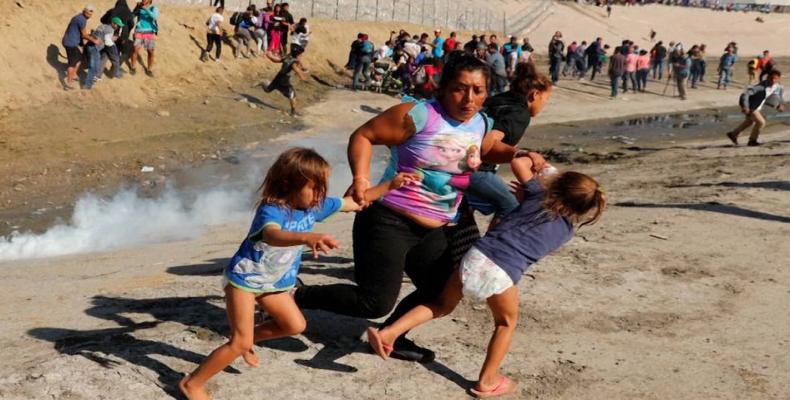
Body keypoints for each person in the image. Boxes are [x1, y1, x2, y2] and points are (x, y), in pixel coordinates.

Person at [294, 54, 530, 363]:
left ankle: (392, 336)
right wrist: (361, 179)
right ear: (444, 88)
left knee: (441, 292)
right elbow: (364, 136)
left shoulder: (480, 122)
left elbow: (487, 150)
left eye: (478, 90)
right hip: (388, 219)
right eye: (460, 88)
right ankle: (295, 296)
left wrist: (517, 153)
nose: (469, 98)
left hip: (435, 226)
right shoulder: (419, 115)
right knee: (373, 302)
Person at [179, 147, 420, 400]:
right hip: (245, 281)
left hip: (275, 283)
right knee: (238, 342)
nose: (320, 195)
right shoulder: (272, 209)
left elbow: (355, 202)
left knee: (295, 325)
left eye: (323, 188)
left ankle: (248, 339)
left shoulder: (315, 206)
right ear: (287, 184)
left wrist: (391, 185)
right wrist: (306, 237)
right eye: (314, 188)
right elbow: (273, 235)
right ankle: (193, 383)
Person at [366, 165, 605, 398]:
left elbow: (520, 163)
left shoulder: (536, 195)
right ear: (584, 209)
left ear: (557, 185)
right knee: (505, 323)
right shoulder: (565, 231)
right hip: (501, 272)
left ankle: (389, 333)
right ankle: (487, 381)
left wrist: (542, 167)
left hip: (475, 255)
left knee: (441, 305)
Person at [465, 62, 553, 225]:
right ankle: (491, 249)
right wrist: (521, 154)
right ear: (534, 95)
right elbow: (487, 143)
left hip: (454, 160)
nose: (543, 105)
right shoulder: (520, 113)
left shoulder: (500, 98)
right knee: (511, 206)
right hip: (474, 169)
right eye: (545, 100)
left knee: (466, 213)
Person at [726, 70, 785, 146]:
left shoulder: (777, 86)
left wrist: (778, 105)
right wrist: (745, 106)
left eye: (775, 79)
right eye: (771, 78)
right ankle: (752, 140)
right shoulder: (760, 87)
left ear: (779, 79)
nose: (773, 81)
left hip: (757, 106)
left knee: (750, 121)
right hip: (751, 106)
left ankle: (733, 134)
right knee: (761, 122)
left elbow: (773, 98)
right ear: (767, 77)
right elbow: (745, 94)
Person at [261, 46, 308, 116]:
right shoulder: (294, 62)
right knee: (293, 95)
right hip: (284, 81)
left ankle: (262, 83)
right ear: (298, 55)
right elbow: (297, 70)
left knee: (268, 90)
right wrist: (303, 77)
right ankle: (293, 112)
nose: (301, 56)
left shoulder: (287, 58)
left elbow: (276, 60)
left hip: (278, 78)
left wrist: (269, 56)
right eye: (301, 55)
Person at [62, 5, 95, 89]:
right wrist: (94, 40)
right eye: (89, 12)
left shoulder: (81, 18)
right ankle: (68, 83)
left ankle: (73, 75)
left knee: (79, 59)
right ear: (84, 11)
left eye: (91, 13)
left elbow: (81, 33)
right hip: (70, 43)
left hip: (71, 41)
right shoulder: (81, 20)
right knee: (72, 63)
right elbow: (84, 35)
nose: (90, 15)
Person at [84, 17, 123, 89]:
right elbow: (108, 42)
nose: (118, 27)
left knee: (93, 63)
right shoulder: (110, 30)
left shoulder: (103, 26)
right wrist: (112, 41)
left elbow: (98, 34)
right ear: (113, 23)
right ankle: (88, 85)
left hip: (89, 45)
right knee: (94, 67)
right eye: (117, 25)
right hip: (95, 48)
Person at [130, 0, 159, 77]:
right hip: (139, 31)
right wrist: (137, 8)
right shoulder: (139, 7)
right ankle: (133, 67)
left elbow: (154, 16)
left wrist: (145, 8)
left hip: (149, 32)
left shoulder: (153, 8)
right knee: (135, 50)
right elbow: (132, 16)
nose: (143, 0)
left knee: (150, 52)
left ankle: (149, 69)